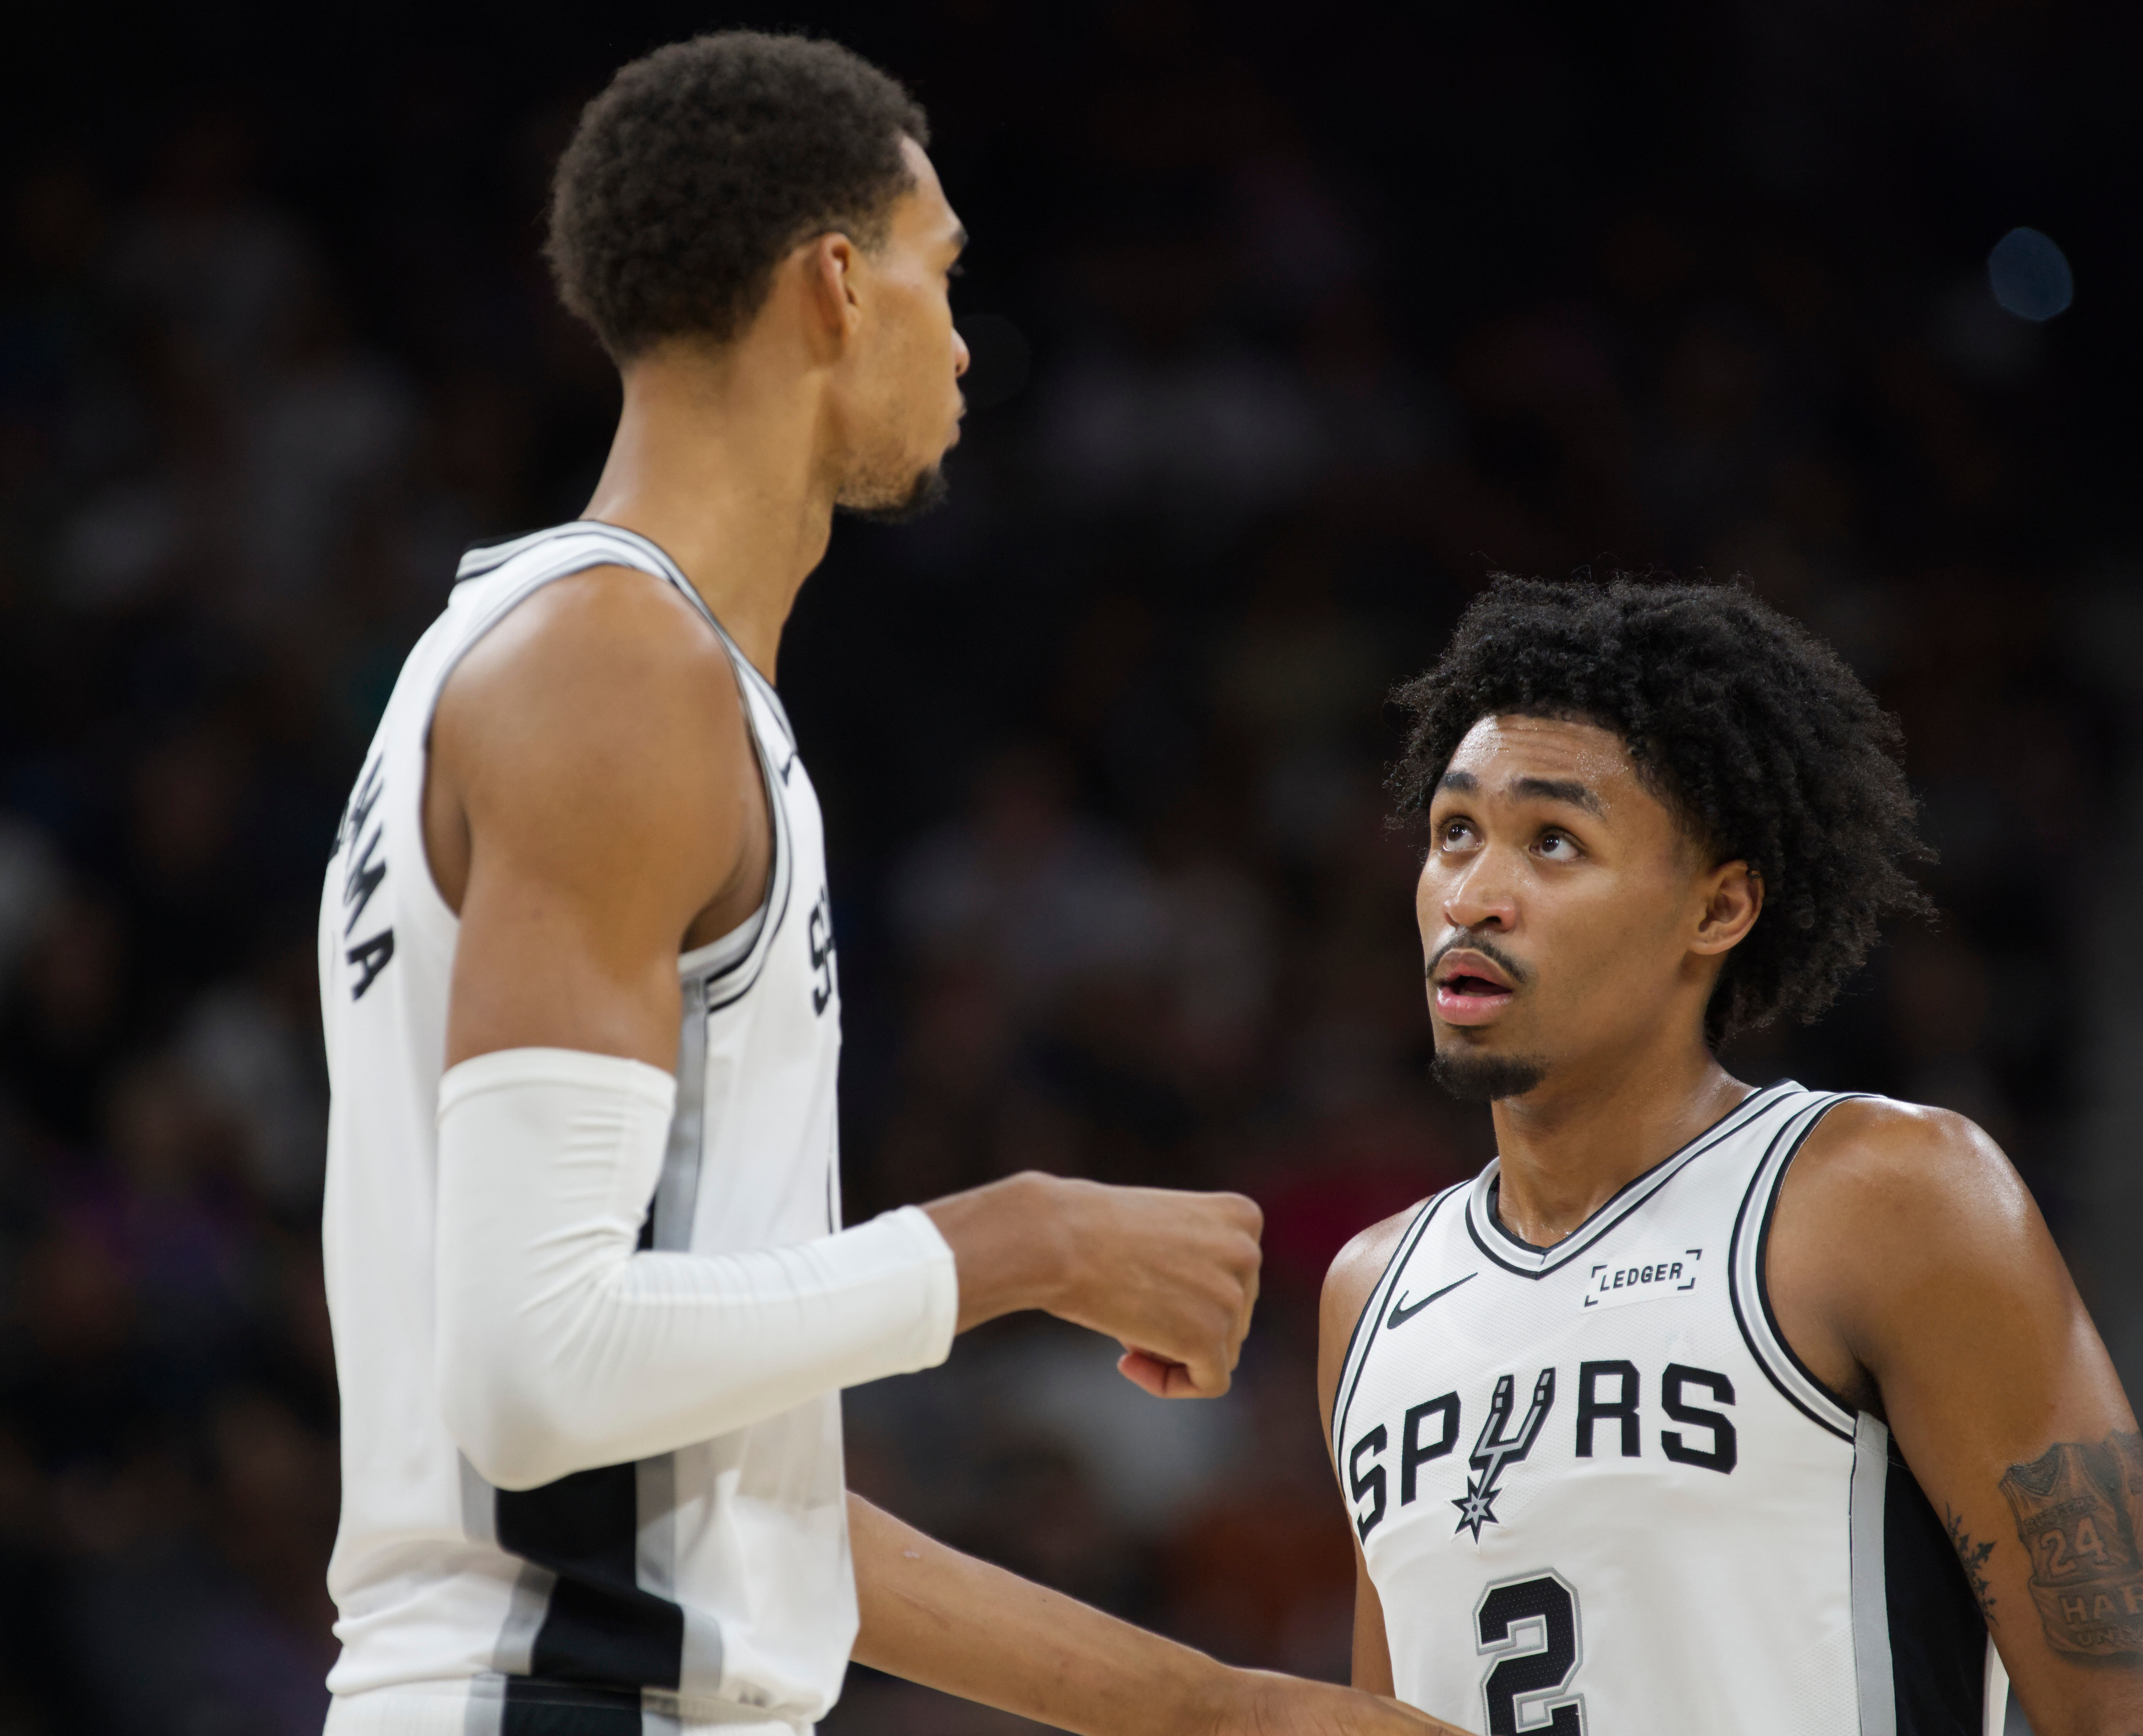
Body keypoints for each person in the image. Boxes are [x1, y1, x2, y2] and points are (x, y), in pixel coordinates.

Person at [318, 30, 1453, 1736]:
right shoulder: (611, 671)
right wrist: (1028, 1236)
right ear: (837, 286)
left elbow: (707, 1502)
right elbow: (536, 1374)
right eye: (944, 271)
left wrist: (1218, 1710)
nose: (966, 338)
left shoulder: (590, 662)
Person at [1318, 576, 2143, 1736]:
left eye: (1553, 842)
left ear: (1718, 908)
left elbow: (2123, 1712)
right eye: (1454, 834)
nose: (1473, 897)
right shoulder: (1370, 1293)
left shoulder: (1883, 1195)